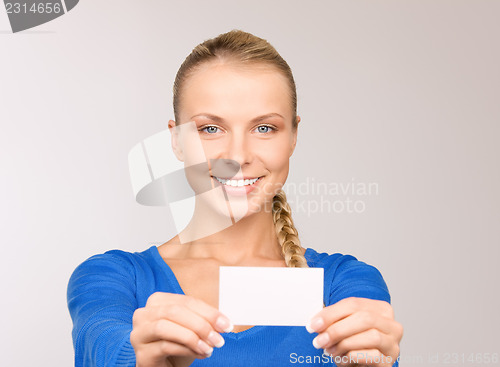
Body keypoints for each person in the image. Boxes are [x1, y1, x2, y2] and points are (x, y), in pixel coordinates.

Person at [67, 29, 403, 367]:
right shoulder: (112, 278)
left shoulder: (346, 283)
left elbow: (372, 350)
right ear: (177, 141)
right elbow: (104, 344)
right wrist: (139, 358)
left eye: (264, 128)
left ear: (293, 136)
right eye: (210, 129)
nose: (238, 156)